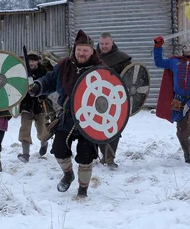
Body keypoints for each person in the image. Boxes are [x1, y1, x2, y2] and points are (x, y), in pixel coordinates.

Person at [29, 29, 104, 199]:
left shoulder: (100, 69)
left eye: (85, 50)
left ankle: (83, 189)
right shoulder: (64, 65)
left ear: (92, 51)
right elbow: (49, 79)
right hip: (67, 117)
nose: (82, 53)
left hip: (91, 119)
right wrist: (38, 86)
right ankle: (68, 174)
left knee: (86, 155)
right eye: (79, 49)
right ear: (74, 49)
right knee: (59, 149)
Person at [95, 32, 132, 169]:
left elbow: (130, 77)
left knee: (113, 129)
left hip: (116, 100)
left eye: (107, 44)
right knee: (97, 127)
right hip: (95, 99)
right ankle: (103, 155)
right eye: (102, 44)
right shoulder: (93, 57)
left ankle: (110, 158)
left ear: (112, 42)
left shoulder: (122, 59)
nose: (104, 46)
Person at [17, 51, 50, 163]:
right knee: (25, 128)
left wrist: (42, 96)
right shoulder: (22, 71)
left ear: (37, 61)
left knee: (41, 130)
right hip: (26, 104)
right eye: (29, 60)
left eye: (33, 60)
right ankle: (26, 154)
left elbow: (48, 85)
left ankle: (44, 143)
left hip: (39, 104)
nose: (31, 63)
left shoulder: (42, 71)